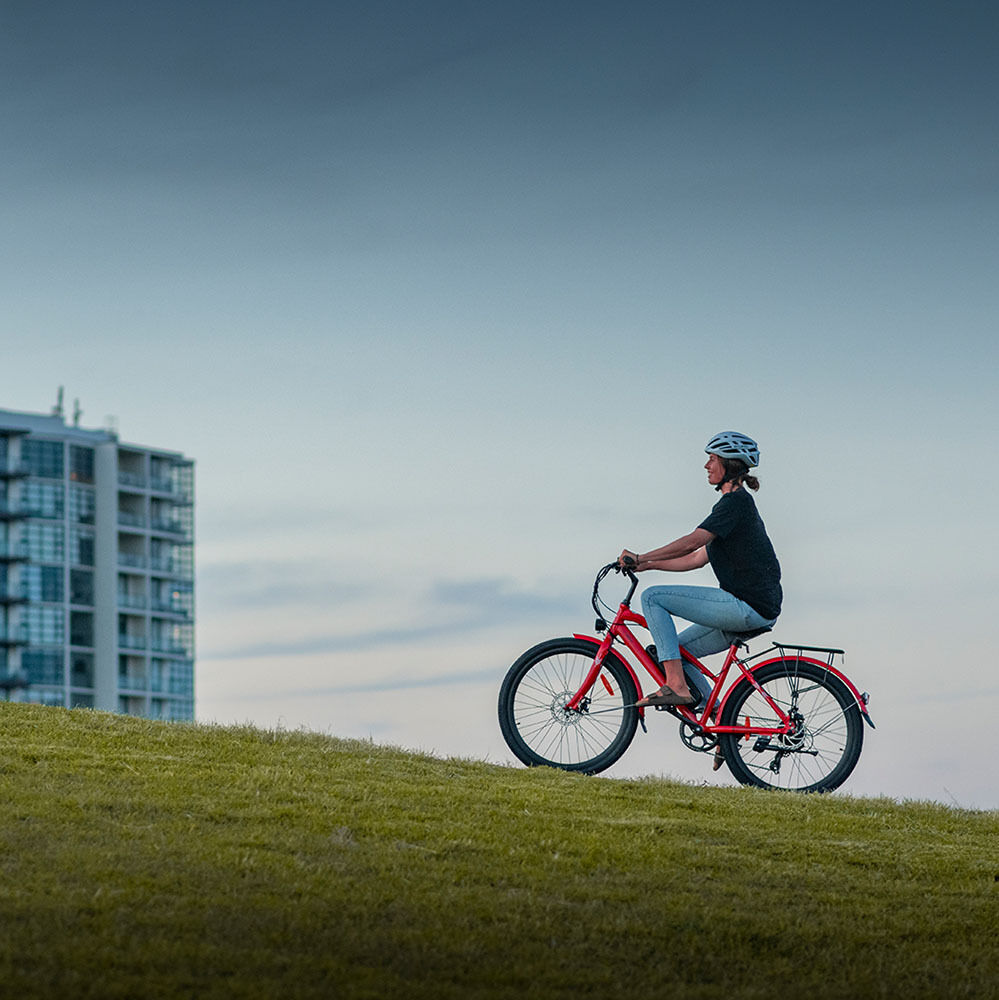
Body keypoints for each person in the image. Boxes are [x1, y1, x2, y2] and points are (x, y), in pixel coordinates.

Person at [618, 431, 782, 711]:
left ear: (729, 464)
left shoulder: (735, 503)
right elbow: (695, 558)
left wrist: (641, 556)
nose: (707, 465)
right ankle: (716, 718)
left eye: (712, 459)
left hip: (746, 606)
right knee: (675, 652)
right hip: (754, 608)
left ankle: (676, 685)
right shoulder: (735, 506)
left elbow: (692, 542)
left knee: (652, 598)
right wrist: (646, 565)